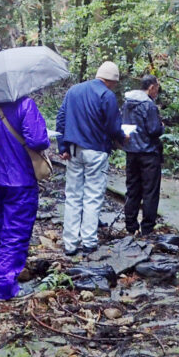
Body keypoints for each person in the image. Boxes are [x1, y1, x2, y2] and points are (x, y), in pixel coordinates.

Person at [0, 96, 50, 301]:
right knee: (15, 233)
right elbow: (38, 140)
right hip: (20, 178)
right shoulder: (25, 104)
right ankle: (4, 288)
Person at [55, 61, 126, 256]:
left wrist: (63, 146)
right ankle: (88, 241)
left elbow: (61, 118)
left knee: (73, 197)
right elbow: (113, 127)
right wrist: (123, 138)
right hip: (96, 151)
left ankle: (70, 243)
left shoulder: (74, 91)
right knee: (92, 197)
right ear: (112, 81)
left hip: (74, 150)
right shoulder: (107, 95)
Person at [121, 75, 164, 236]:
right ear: (151, 87)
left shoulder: (127, 103)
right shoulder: (149, 105)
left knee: (132, 188)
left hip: (131, 151)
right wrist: (162, 126)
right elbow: (154, 130)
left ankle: (131, 225)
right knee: (150, 191)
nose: (157, 92)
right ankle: (147, 228)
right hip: (148, 153)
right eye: (157, 88)